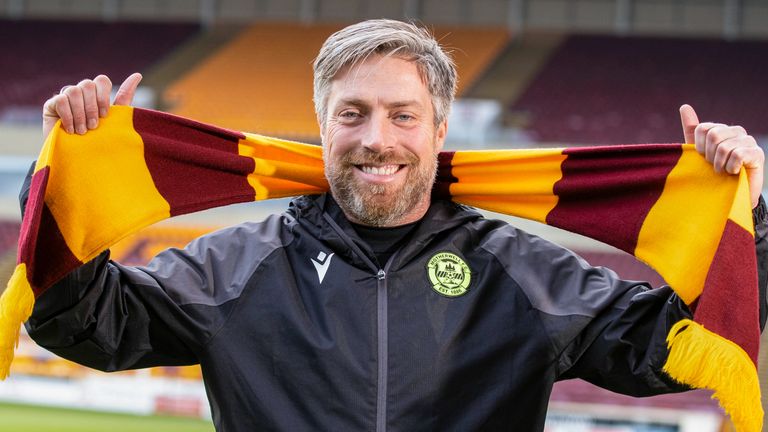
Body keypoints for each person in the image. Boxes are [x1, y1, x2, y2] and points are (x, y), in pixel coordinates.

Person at [24, 19, 767, 431]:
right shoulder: (236, 265)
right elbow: (86, 324)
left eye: (402, 115)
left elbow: (679, 351)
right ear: (321, 126)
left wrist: (747, 221)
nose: (377, 138)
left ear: (438, 128)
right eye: (352, 114)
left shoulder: (525, 272)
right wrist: (69, 184)